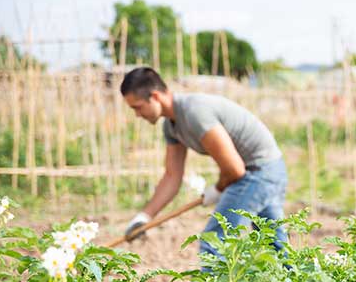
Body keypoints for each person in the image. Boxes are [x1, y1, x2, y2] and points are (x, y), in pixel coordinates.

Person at [120, 67, 288, 260]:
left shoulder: (194, 112)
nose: (137, 115)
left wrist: (216, 190)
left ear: (156, 96)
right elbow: (172, 176)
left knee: (214, 244)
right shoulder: (171, 126)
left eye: (138, 107)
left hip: (260, 171)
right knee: (276, 246)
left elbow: (234, 169)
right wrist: (144, 217)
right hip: (264, 171)